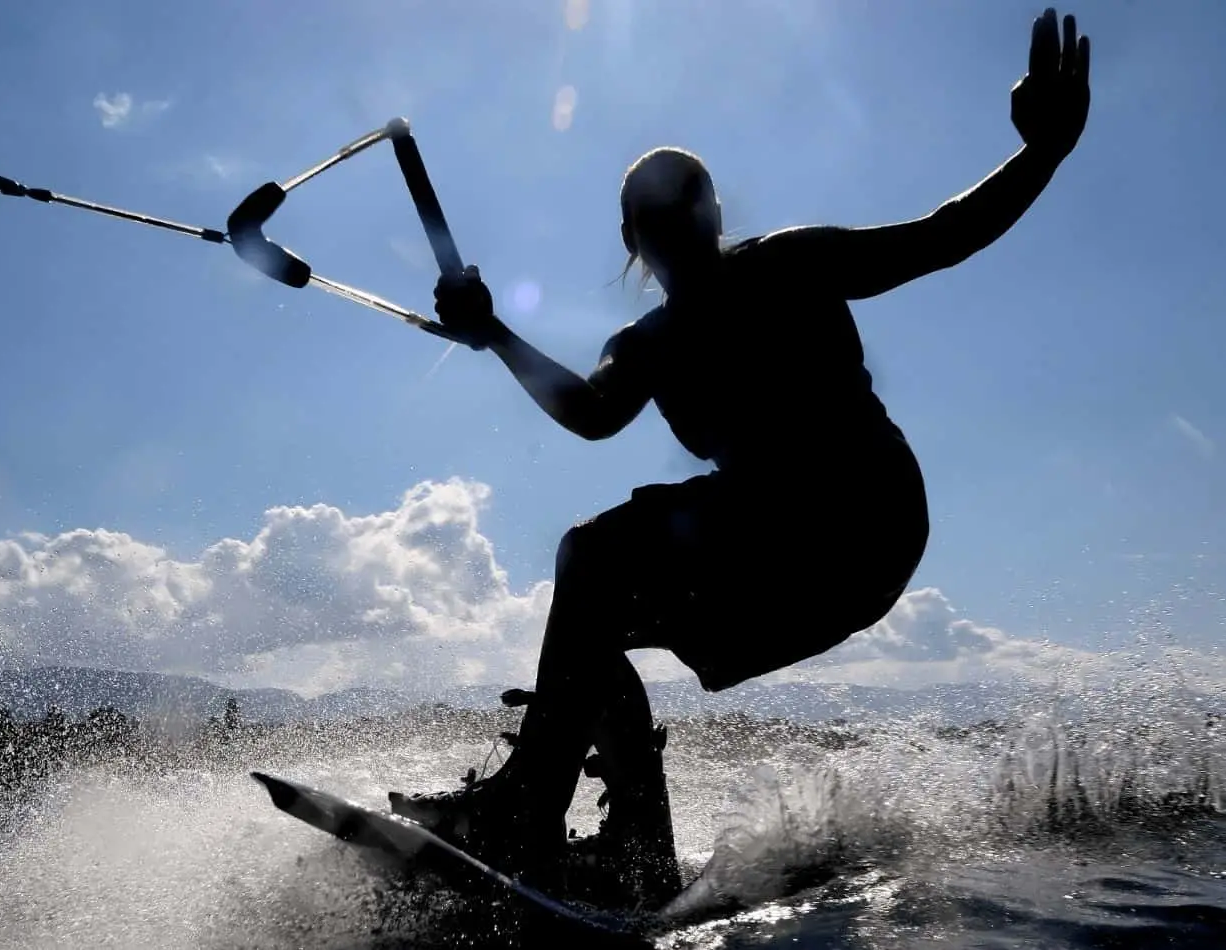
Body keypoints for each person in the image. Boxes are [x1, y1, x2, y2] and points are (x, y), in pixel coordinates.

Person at [390, 6, 1091, 909]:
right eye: (650, 212)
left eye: (685, 199)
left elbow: (942, 233)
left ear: (714, 211)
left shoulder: (790, 263)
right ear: (630, 239)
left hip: (863, 521)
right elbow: (595, 411)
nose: (670, 219)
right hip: (778, 555)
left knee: (594, 556)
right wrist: (491, 333)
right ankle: (635, 851)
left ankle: (524, 807)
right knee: (588, 639)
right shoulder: (643, 344)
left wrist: (1045, 151)